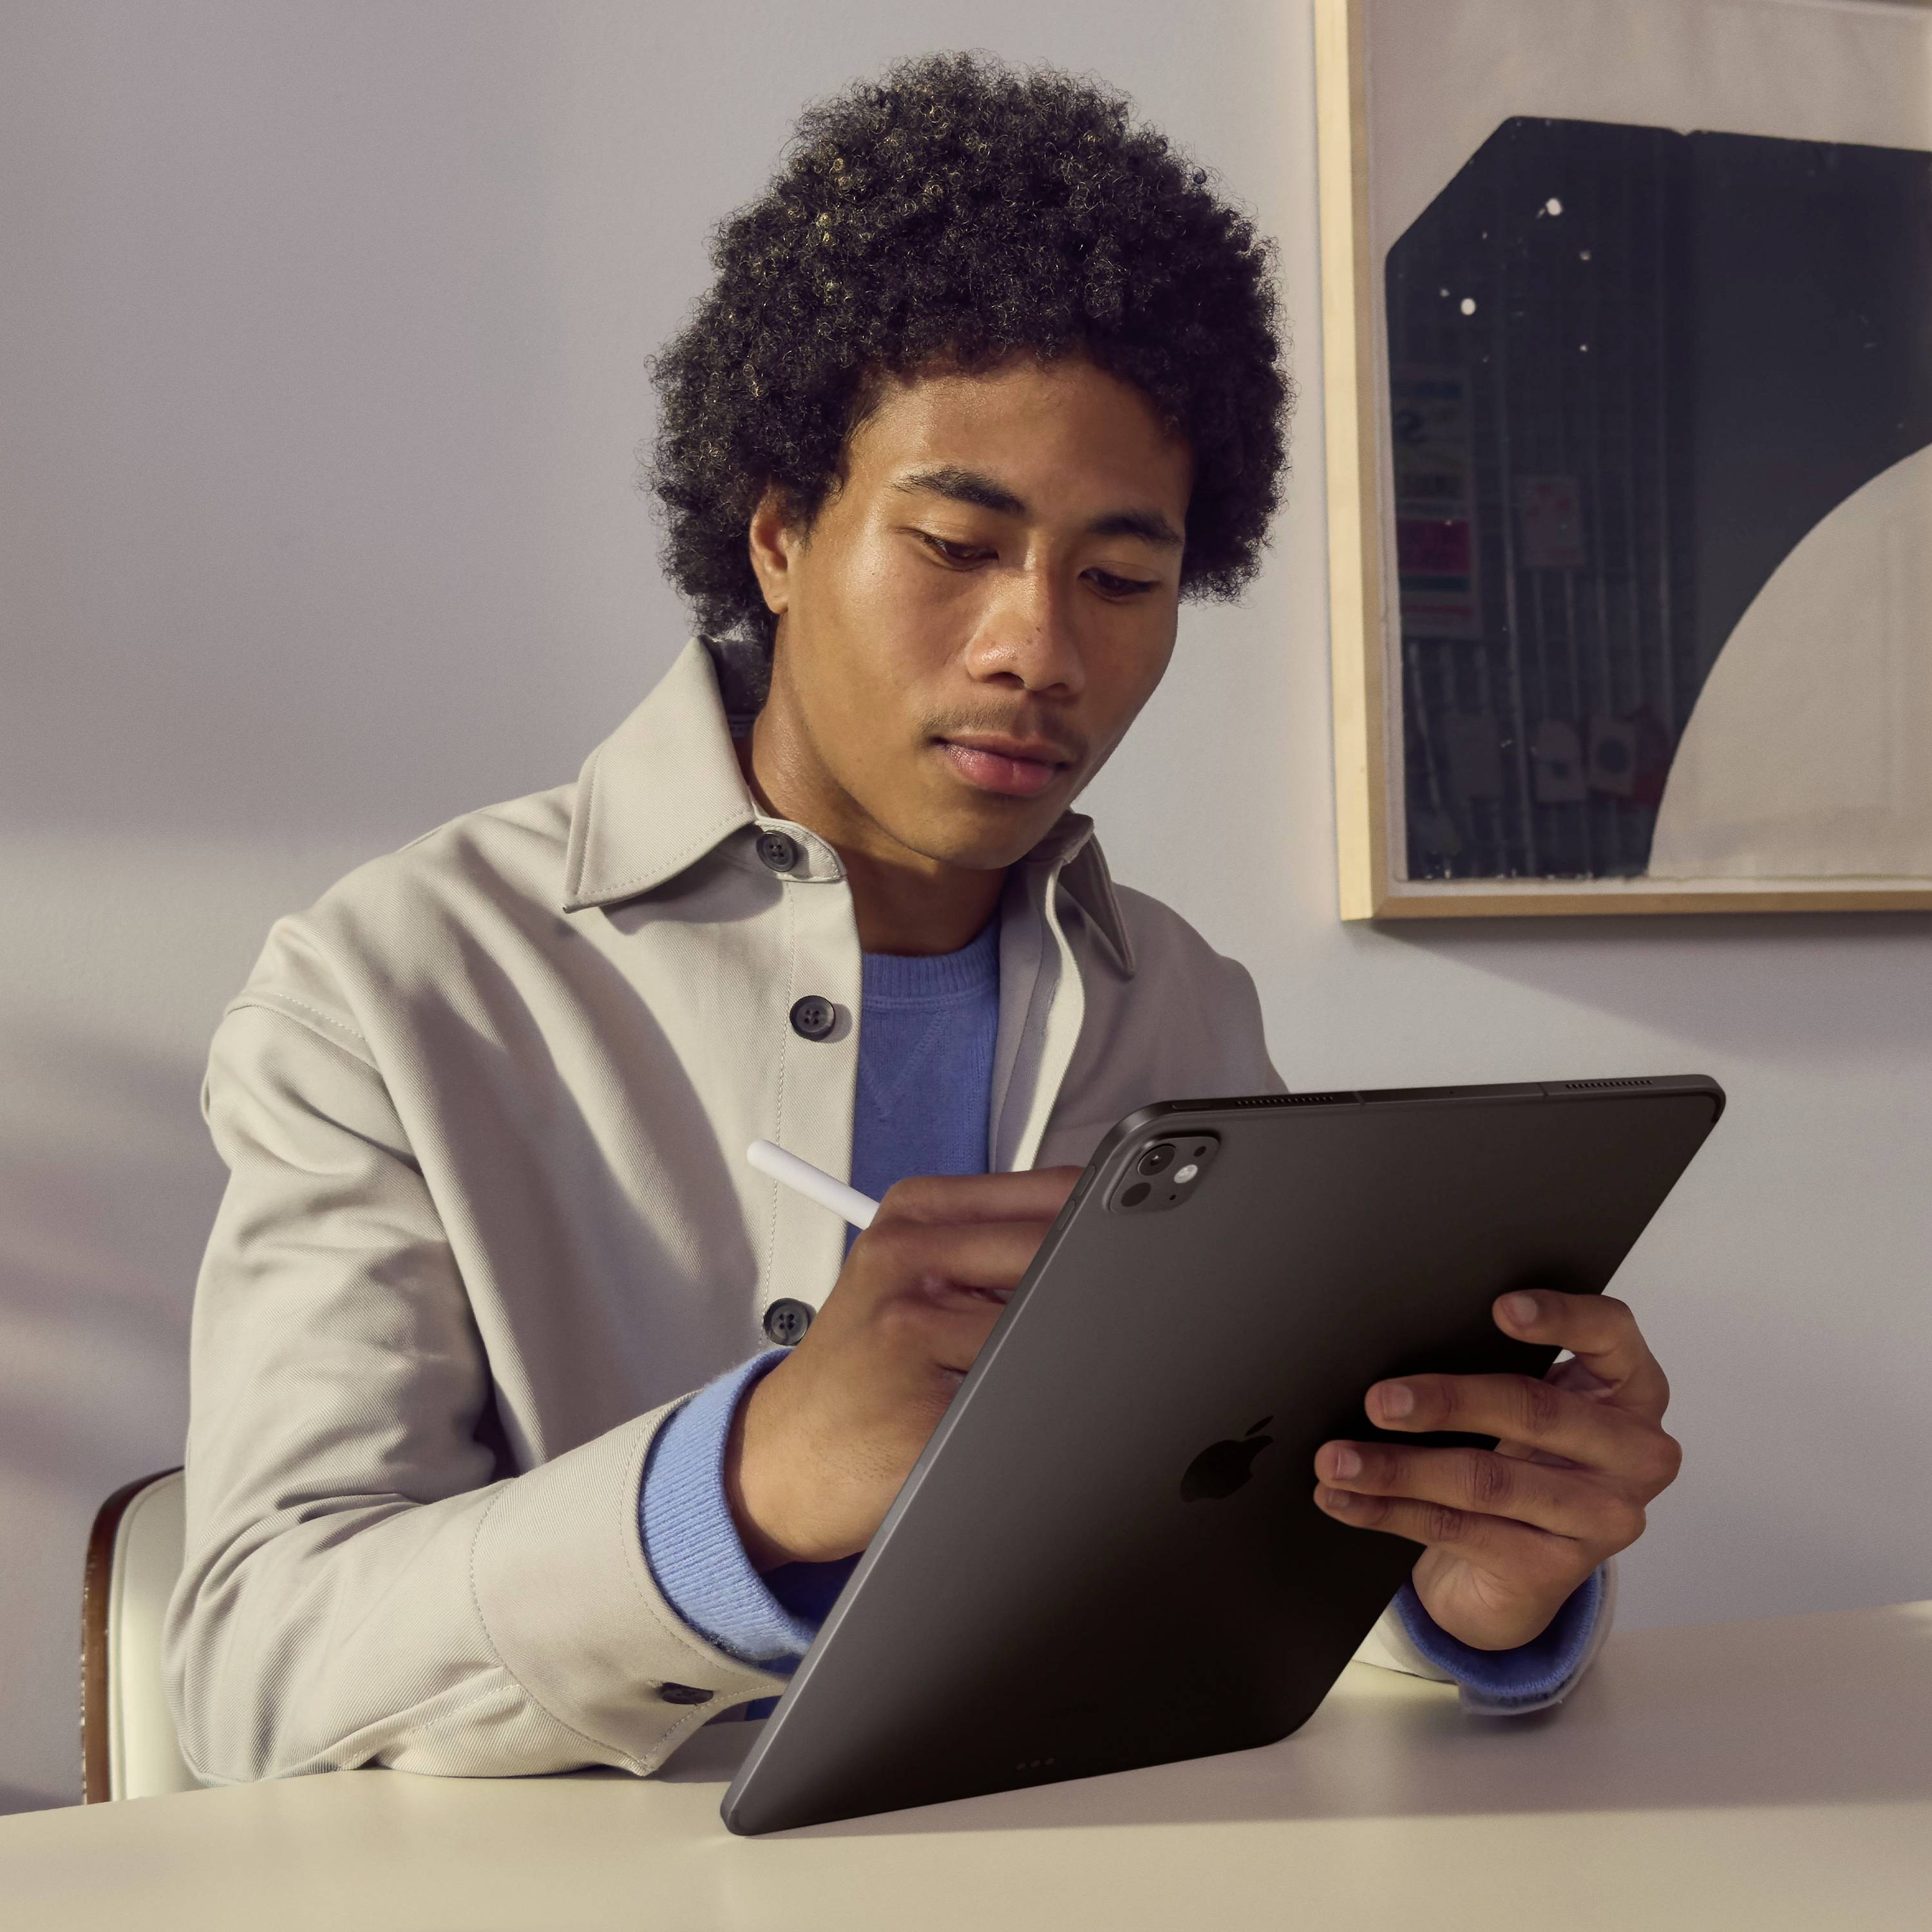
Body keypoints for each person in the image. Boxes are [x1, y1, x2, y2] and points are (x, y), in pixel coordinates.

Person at [162, 52, 1681, 1785]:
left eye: (1122, 580)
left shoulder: (1178, 1003)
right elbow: (251, 1681)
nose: (1042, 648)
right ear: (781, 534)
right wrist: (736, 1491)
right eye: (956, 540)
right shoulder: (389, 990)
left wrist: (1460, 1588)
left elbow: (1222, 1600)